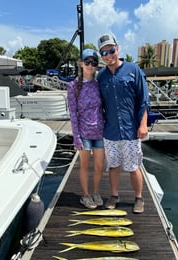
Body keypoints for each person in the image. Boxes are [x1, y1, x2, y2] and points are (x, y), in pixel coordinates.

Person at [97, 34, 150, 213]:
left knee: (133, 167)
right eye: (104, 52)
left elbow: (144, 100)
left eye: (111, 50)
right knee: (113, 166)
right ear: (101, 55)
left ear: (117, 49)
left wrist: (143, 125)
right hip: (110, 131)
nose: (108, 54)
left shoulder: (133, 70)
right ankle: (113, 195)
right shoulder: (101, 76)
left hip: (130, 131)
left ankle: (139, 198)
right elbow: (97, 104)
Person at [67, 48, 105, 209]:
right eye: (87, 62)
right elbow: (73, 114)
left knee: (98, 166)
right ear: (81, 64)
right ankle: (85, 195)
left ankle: (95, 192)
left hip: (100, 132)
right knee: (84, 166)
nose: (90, 65)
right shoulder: (73, 86)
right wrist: (76, 136)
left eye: (94, 62)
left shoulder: (99, 84)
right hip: (84, 134)